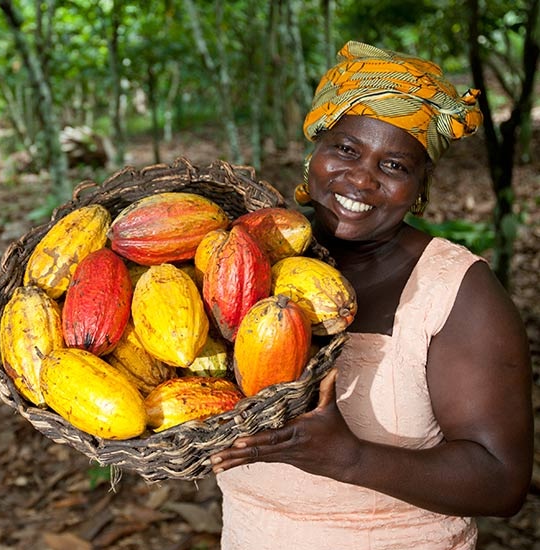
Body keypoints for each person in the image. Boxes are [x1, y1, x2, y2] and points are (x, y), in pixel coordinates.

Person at [210, 41, 533, 549]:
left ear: (420, 185)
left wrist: (350, 457)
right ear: (315, 150)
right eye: (346, 149)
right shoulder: (247, 255)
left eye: (394, 166)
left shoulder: (456, 292)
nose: (360, 179)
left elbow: (502, 481)